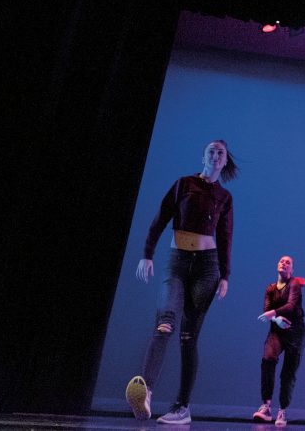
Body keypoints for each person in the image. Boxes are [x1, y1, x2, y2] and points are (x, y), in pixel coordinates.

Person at [125, 140, 237, 424]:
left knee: (189, 337)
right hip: (177, 261)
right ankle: (145, 392)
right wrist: (146, 254)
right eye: (211, 151)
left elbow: (225, 237)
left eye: (220, 153)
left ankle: (182, 408)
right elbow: (161, 217)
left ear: (224, 161)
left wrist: (225, 275)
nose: (215, 155)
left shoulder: (224, 196)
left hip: (207, 267)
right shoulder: (183, 184)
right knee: (165, 322)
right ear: (203, 156)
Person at [252, 255, 305, 427]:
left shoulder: (294, 284)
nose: (284, 263)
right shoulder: (270, 288)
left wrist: (273, 314)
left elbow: (291, 306)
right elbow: (266, 310)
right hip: (277, 330)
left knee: (288, 372)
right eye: (281, 261)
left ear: (292, 270)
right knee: (268, 358)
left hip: (295, 332)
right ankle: (266, 406)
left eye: (288, 262)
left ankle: (282, 410)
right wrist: (276, 319)